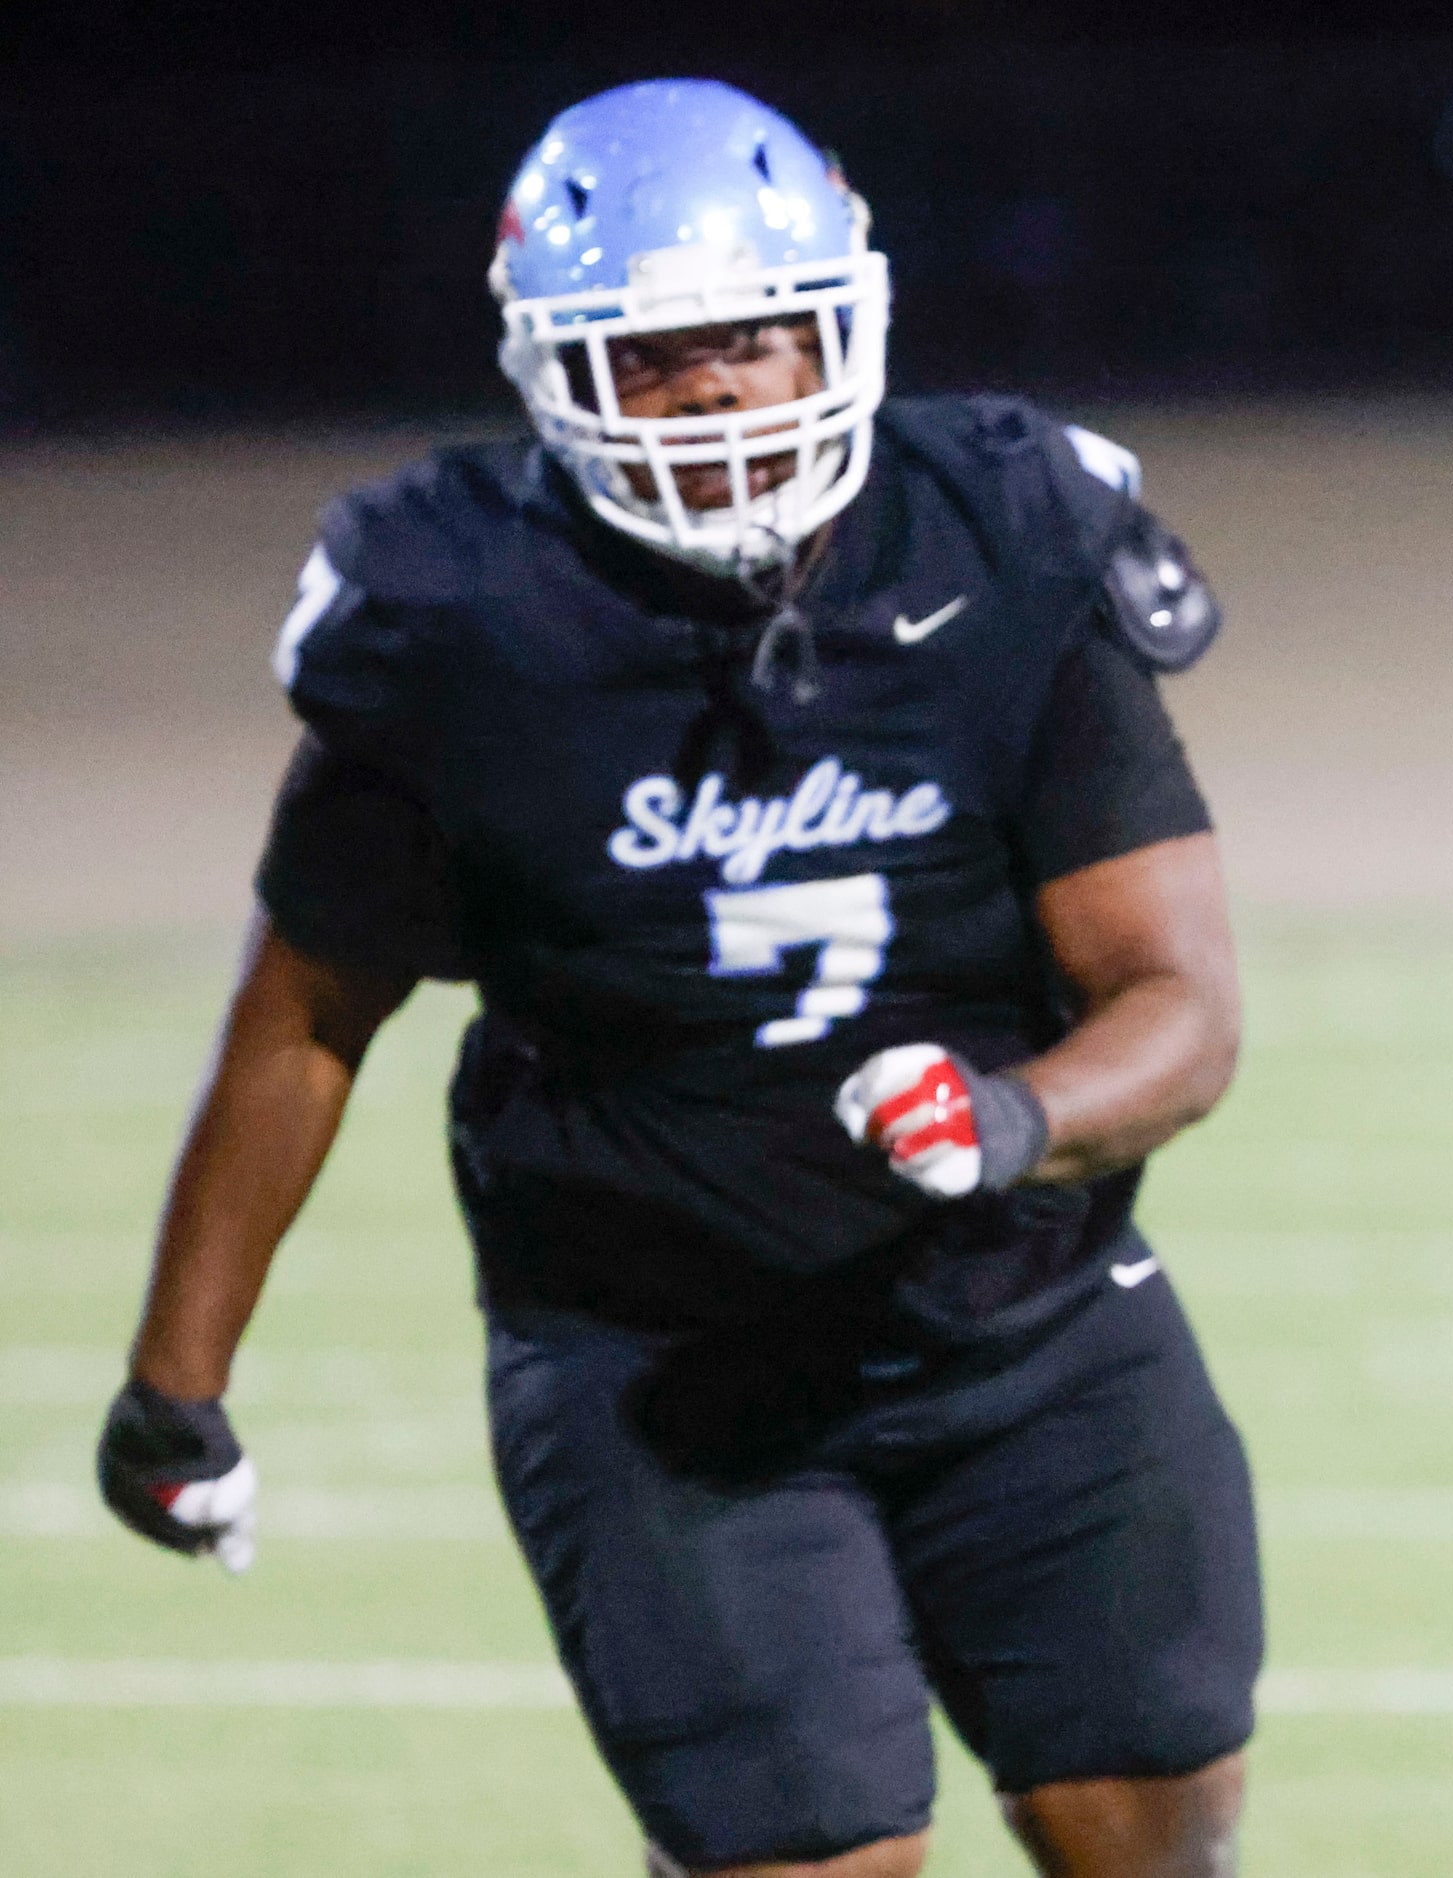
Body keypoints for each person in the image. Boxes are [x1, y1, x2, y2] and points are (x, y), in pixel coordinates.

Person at [97, 79, 1257, 1878]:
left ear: (843, 326)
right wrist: (176, 1379)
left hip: (1036, 1327)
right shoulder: (461, 617)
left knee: (1151, 1841)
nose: (719, 391)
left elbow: (1177, 1001)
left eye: (756, 340)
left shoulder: (1002, 531)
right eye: (656, 358)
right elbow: (307, 1018)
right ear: (554, 375)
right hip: (662, 1366)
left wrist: (1012, 1113)